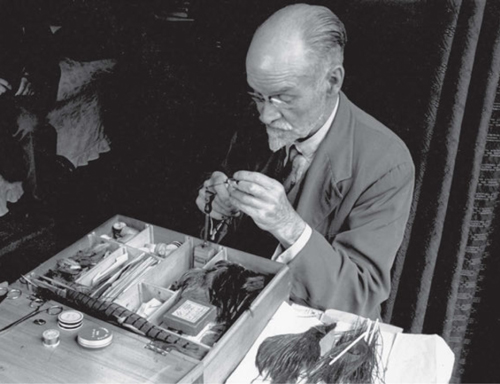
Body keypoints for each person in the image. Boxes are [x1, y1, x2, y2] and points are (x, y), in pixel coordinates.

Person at [196, 3, 414, 319]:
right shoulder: (252, 124)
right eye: (257, 96)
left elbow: (361, 294)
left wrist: (289, 226)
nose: (265, 115)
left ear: (332, 82)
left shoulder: (386, 164)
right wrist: (218, 212)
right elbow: (221, 247)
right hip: (241, 309)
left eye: (283, 98)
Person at [0, 0, 61, 207]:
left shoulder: (22, 9)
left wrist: (27, 77)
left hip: (12, 92)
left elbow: (46, 55)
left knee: (29, 124)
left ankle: (40, 203)